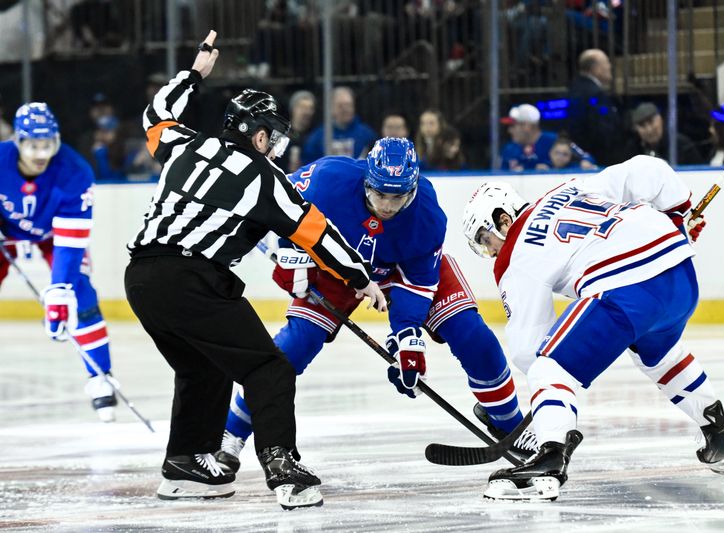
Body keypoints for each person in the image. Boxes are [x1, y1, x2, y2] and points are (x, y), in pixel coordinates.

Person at [124, 31, 386, 510]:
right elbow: (318, 234)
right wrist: (360, 279)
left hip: (141, 279)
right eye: (275, 137)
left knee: (202, 367)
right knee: (268, 368)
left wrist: (195, 73)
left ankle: (184, 466)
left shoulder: (183, 146)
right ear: (259, 134)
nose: (277, 147)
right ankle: (284, 469)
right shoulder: (265, 177)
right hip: (192, 281)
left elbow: (156, 113)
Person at [215, 137, 538, 475]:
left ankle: (509, 425)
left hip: (402, 270)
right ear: (366, 180)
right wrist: (290, 254)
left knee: (474, 337)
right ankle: (230, 434)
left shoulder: (426, 213)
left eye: (397, 197)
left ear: (411, 190)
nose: (386, 205)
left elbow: (417, 283)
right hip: (335, 268)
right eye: (380, 193)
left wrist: (407, 339)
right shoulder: (328, 178)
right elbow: (275, 200)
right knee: (294, 346)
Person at [461, 155, 724, 502]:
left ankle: (549, 460)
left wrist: (546, 405)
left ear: (503, 219)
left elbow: (529, 346)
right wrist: (678, 213)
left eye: (484, 238)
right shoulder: (570, 187)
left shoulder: (514, 254)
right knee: (659, 356)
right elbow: (648, 169)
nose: (490, 251)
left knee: (547, 366)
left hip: (629, 288)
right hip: (681, 274)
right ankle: (721, 435)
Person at [0, 102, 117, 421]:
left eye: (47, 145)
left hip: (55, 234)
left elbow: (70, 240)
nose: (41, 154)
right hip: (6, 229)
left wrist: (60, 290)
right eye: (33, 145)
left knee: (80, 293)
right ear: (18, 142)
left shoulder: (75, 171)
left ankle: (100, 376)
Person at [566, 48, 629, 166]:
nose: (610, 67)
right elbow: (603, 133)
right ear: (596, 68)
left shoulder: (575, 87)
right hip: (600, 160)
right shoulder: (595, 94)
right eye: (607, 62)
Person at [500, 104, 594, 171]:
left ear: (527, 126)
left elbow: (585, 156)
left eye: (513, 126)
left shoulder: (554, 140)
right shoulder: (509, 149)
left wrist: (585, 162)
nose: (510, 131)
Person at [301, 86, 377, 164]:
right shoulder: (318, 137)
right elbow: (309, 165)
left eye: (348, 105)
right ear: (331, 108)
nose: (345, 109)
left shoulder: (367, 135)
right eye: (340, 106)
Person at [626, 102, 704, 166]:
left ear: (660, 119)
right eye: (642, 125)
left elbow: (699, 174)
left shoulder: (682, 145)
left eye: (651, 122)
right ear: (636, 129)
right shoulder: (633, 151)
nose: (649, 130)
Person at [285, 90, 316, 173]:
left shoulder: (316, 135)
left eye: (310, 108)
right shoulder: (281, 134)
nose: (307, 112)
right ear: (293, 109)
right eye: (302, 107)